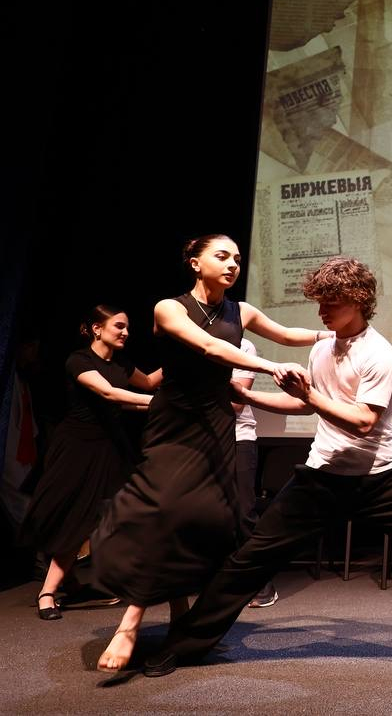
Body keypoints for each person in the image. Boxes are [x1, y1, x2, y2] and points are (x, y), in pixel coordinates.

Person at [143, 256, 392, 676]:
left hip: (380, 479)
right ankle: (182, 647)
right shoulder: (323, 347)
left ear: (358, 301)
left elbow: (363, 422)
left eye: (332, 303)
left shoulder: (380, 355)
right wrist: (249, 397)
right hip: (322, 478)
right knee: (248, 559)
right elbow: (307, 405)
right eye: (320, 302)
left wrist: (308, 397)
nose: (322, 312)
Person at [90, 235, 319, 671]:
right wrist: (270, 366)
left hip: (216, 424)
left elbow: (289, 334)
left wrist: (342, 333)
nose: (233, 264)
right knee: (164, 512)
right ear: (195, 263)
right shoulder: (169, 308)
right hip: (175, 423)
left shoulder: (241, 311)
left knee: (201, 520)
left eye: (237, 258)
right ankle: (130, 622)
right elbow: (211, 348)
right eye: (222, 256)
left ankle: (181, 613)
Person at [21, 305, 161, 620]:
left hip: (110, 448)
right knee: (74, 518)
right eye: (119, 326)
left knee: (120, 512)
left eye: (127, 327)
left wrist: (184, 357)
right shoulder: (79, 360)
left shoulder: (122, 363)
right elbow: (110, 394)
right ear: (97, 329)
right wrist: (159, 402)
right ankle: (47, 593)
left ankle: (70, 580)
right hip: (77, 448)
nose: (126, 332)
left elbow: (150, 383)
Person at [230, 338, 279, 609]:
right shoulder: (191, 344)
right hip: (200, 440)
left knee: (243, 513)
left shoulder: (243, 346)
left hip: (238, 439)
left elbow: (236, 405)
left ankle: (262, 583)